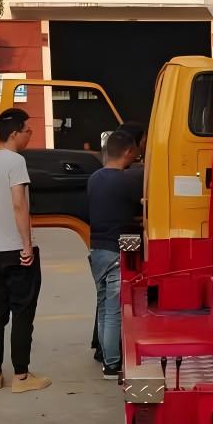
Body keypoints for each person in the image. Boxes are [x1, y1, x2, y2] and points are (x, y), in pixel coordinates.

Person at [0, 108, 50, 393]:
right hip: (16, 250)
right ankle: (21, 376)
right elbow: (19, 205)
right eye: (28, 131)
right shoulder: (16, 162)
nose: (29, 136)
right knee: (22, 312)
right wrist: (27, 245)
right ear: (16, 132)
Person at [87, 130, 142, 378]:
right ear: (128, 151)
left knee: (102, 305)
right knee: (114, 310)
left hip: (96, 249)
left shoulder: (94, 178)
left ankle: (103, 355)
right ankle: (112, 364)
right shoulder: (127, 180)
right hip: (116, 250)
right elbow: (140, 210)